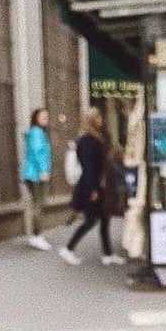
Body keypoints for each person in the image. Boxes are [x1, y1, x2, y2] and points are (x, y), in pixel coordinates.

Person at [59, 110, 118, 266]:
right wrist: (93, 189)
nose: (101, 119)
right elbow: (88, 166)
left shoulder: (96, 137)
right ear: (91, 120)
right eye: (98, 117)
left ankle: (108, 254)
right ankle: (68, 249)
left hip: (98, 185)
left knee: (105, 219)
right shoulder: (86, 140)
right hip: (90, 186)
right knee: (91, 221)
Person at [21, 109, 52, 250]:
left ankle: (35, 236)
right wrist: (43, 170)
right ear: (35, 118)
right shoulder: (37, 132)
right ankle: (37, 236)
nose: (46, 118)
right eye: (42, 116)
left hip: (31, 173)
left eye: (47, 116)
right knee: (39, 205)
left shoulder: (36, 132)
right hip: (36, 174)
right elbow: (38, 152)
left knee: (37, 204)